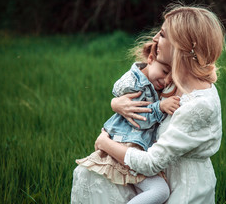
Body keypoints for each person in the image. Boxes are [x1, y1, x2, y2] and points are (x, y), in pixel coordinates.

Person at [71, 3, 226, 203]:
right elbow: (137, 97)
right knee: (87, 175)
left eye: (162, 34)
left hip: (183, 193)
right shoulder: (170, 83)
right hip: (156, 181)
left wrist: (104, 143)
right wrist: (116, 103)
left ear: (182, 45)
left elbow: (151, 163)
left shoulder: (200, 105)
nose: (154, 39)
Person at [75, 43, 180, 204]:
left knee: (156, 191)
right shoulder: (135, 84)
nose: (166, 81)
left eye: (171, 77)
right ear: (150, 59)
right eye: (165, 72)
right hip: (126, 148)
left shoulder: (154, 85)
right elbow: (139, 118)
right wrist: (160, 106)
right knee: (159, 191)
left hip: (138, 151)